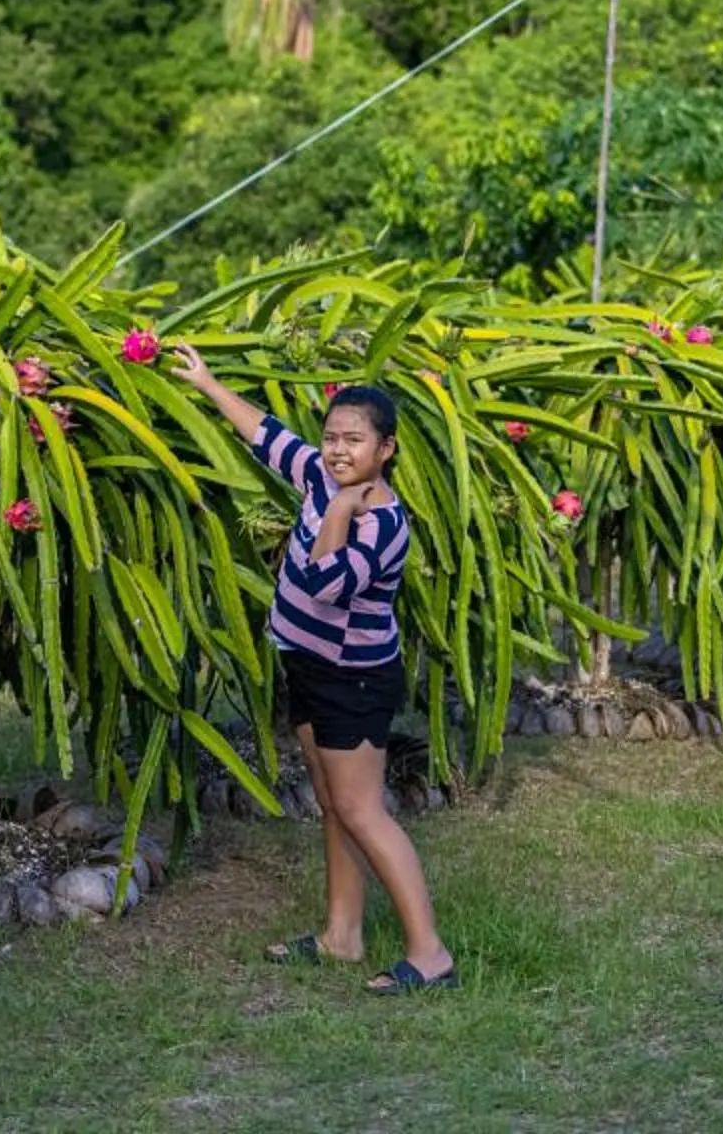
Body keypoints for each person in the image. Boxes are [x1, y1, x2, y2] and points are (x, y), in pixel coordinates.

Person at [171, 344, 457, 994]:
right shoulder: (324, 477)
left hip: (352, 679)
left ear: (385, 449)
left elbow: (325, 584)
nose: (336, 451)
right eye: (331, 438)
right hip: (310, 666)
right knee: (332, 803)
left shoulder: (382, 522)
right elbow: (268, 438)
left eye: (353, 441)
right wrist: (208, 383)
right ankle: (341, 936)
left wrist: (334, 511)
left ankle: (431, 954)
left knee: (361, 810)